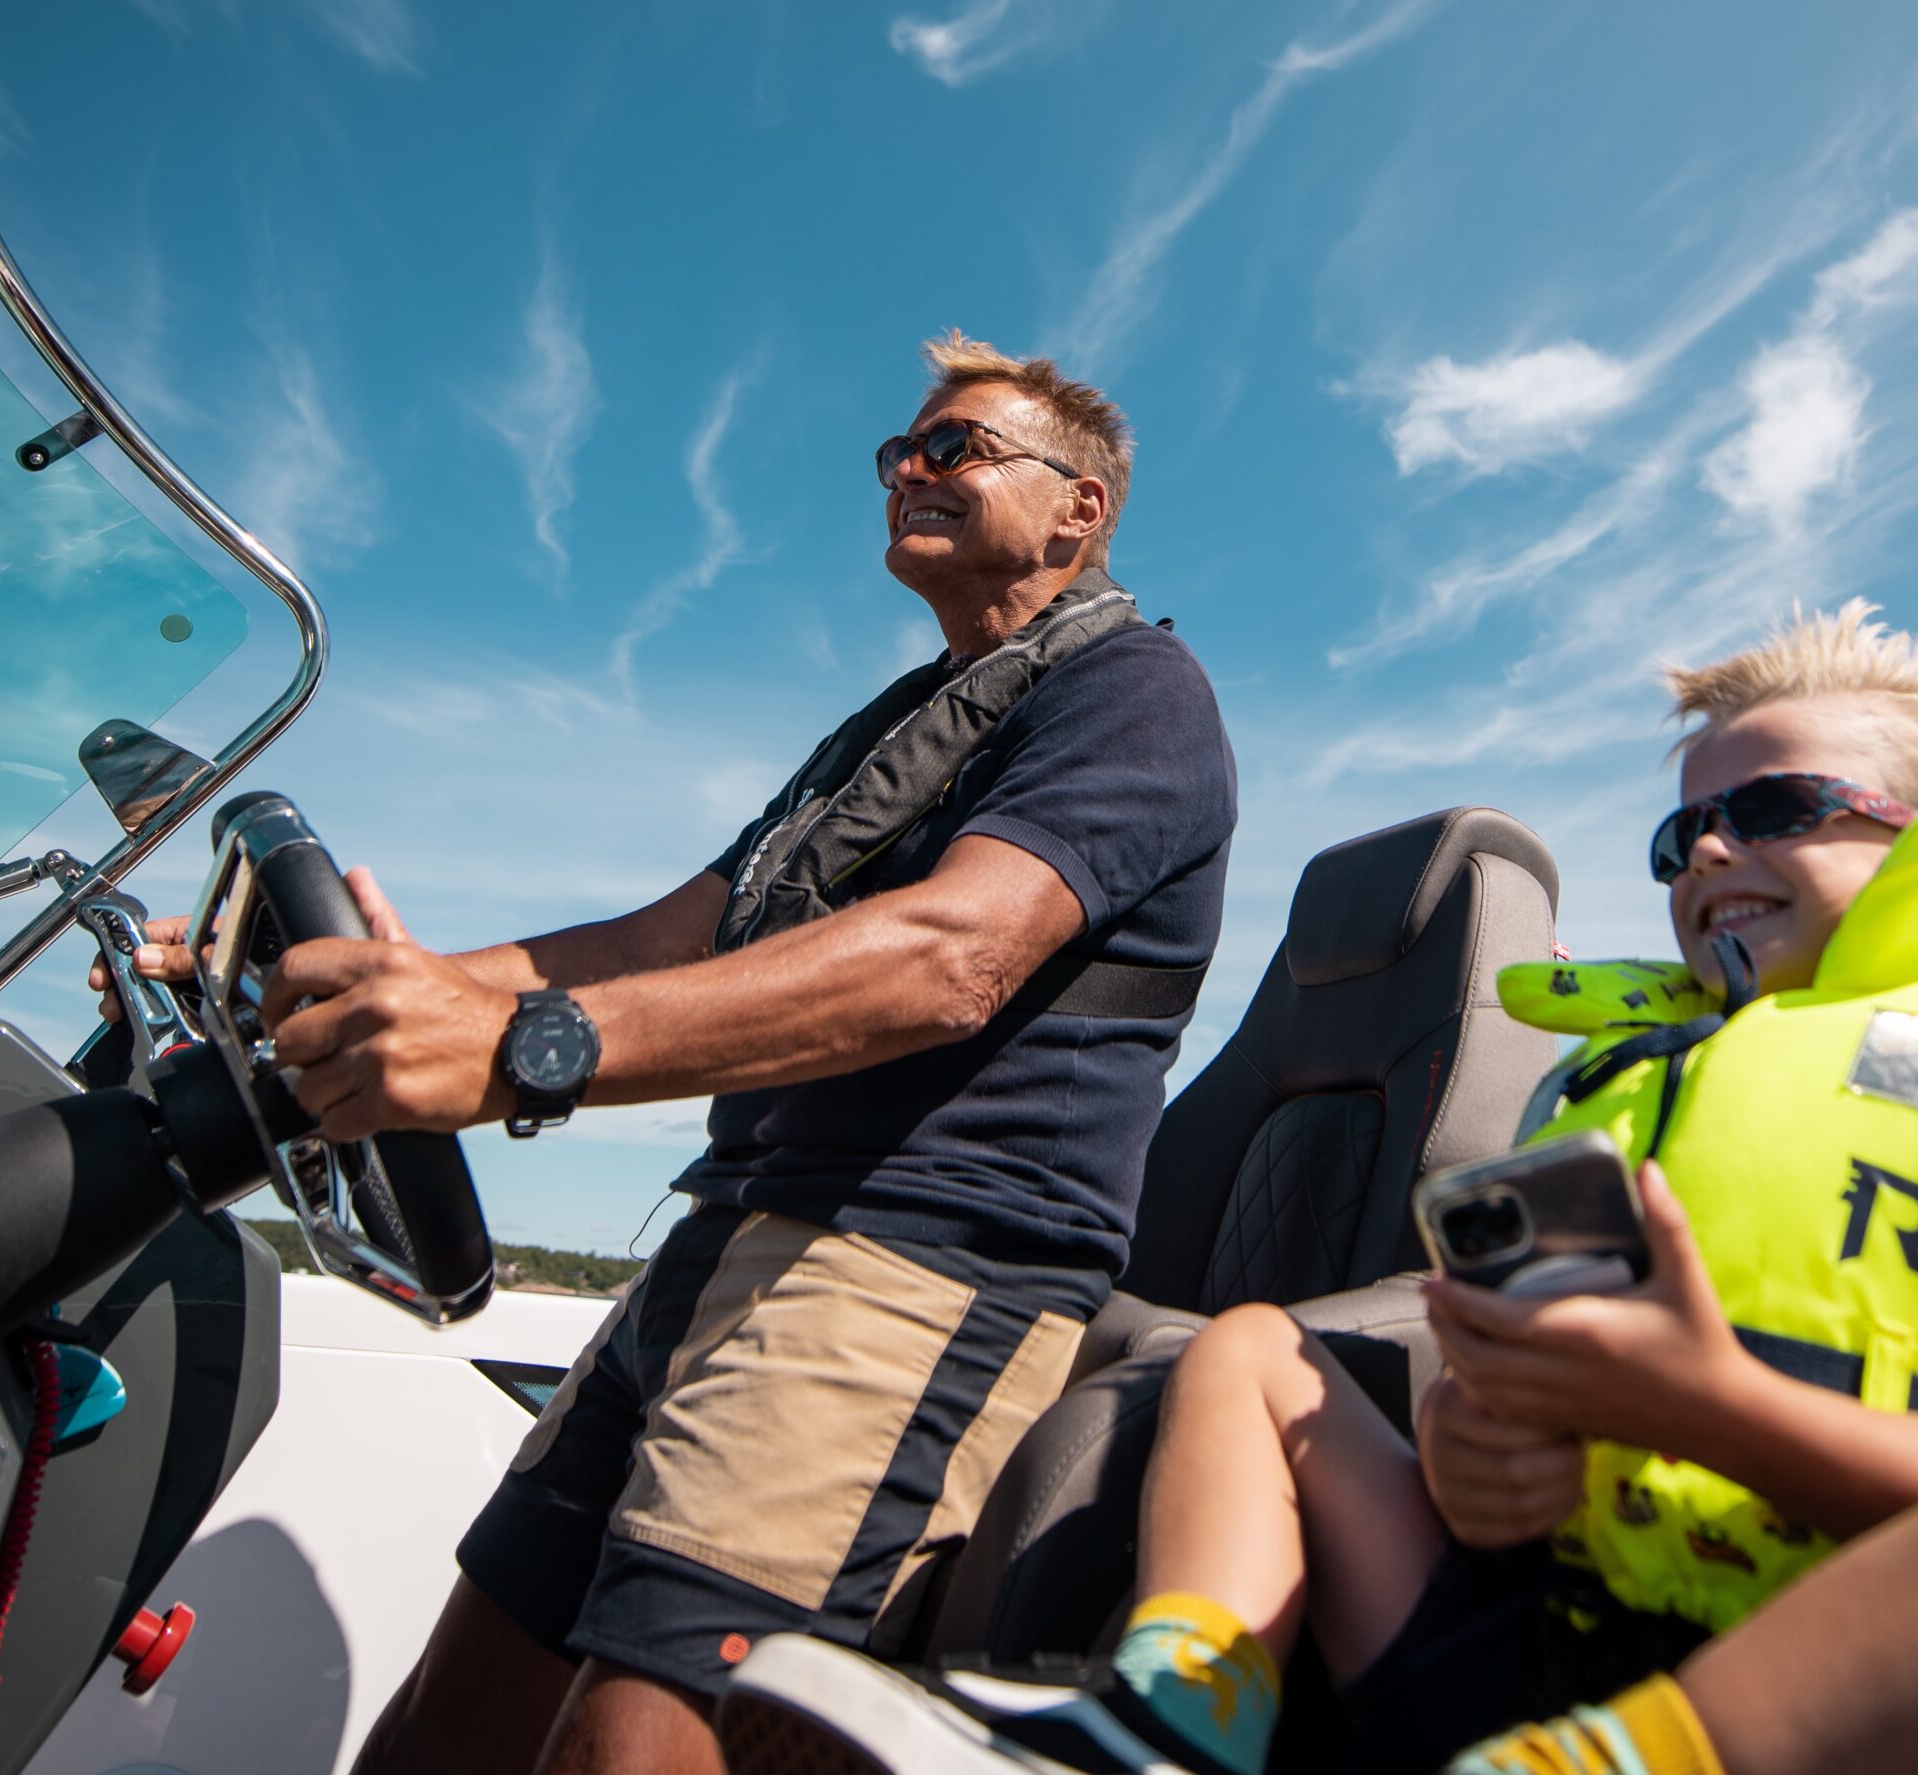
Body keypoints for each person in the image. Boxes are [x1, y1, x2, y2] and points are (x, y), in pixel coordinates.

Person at [713, 602, 1918, 1774]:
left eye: (1774, 810)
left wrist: (1714, 1409)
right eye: (1681, 832)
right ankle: (1168, 1720)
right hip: (1540, 1658)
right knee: (1252, 1350)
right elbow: (1487, 1435)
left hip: (1861, 1704)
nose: (1709, 850)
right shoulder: (1642, 1105)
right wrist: (1476, 1450)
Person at [97, 332, 1237, 1775]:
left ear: (1079, 508)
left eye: (954, 448)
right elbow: (669, 934)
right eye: (899, 450)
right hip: (714, 1251)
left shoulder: (1136, 693)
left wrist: (522, 1051)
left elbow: (954, 956)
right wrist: (399, 986)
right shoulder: (884, 734)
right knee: (445, 1731)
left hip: (905, 1270)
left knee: (627, 1746)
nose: (908, 469)